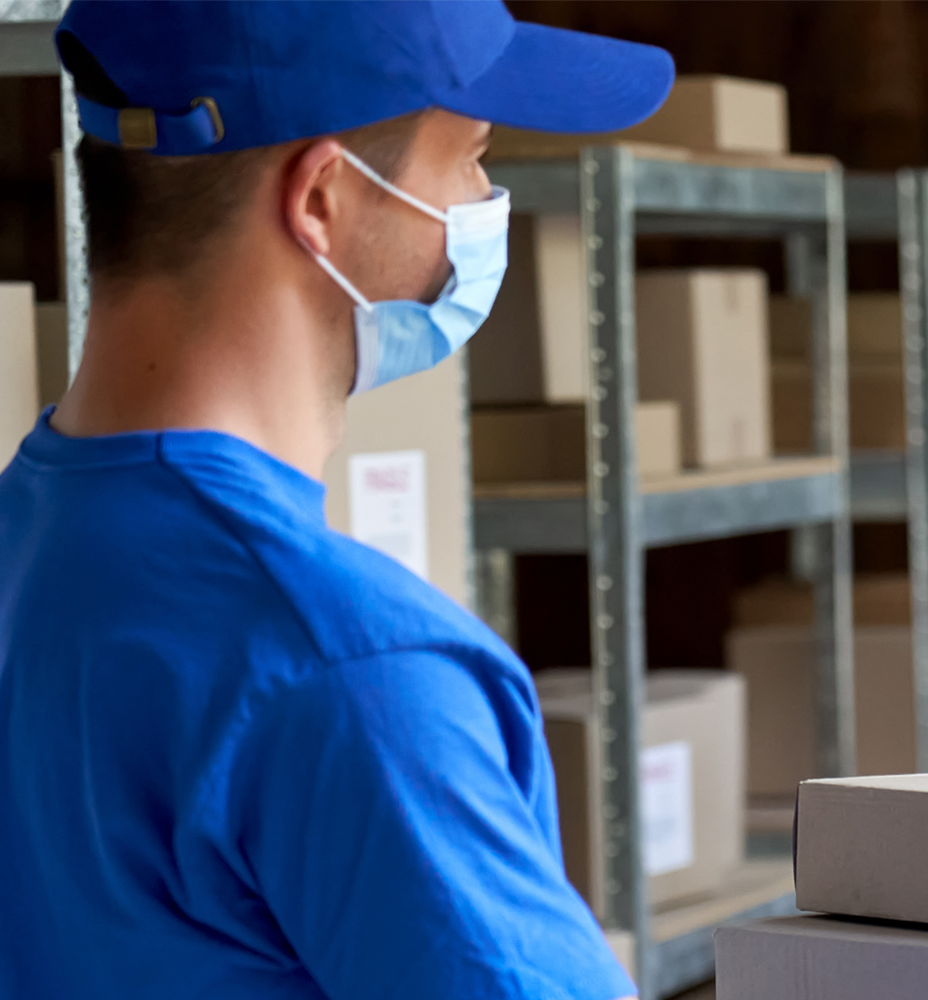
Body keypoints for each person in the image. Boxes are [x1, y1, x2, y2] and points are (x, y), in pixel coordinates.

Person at [0, 3, 673, 998]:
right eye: (471, 158)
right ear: (321, 199)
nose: (486, 198)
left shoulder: (29, 547)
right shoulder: (352, 671)